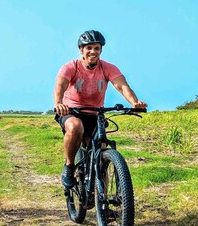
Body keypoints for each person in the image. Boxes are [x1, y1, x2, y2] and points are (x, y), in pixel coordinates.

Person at [53, 30, 147, 188]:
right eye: (88, 48)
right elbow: (60, 87)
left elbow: (122, 86)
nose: (93, 51)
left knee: (100, 155)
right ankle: (69, 166)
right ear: (81, 50)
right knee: (76, 127)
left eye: (96, 48)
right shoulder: (71, 67)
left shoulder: (107, 68)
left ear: (101, 50)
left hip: (95, 114)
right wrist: (59, 103)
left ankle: (102, 204)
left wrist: (135, 103)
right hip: (72, 112)